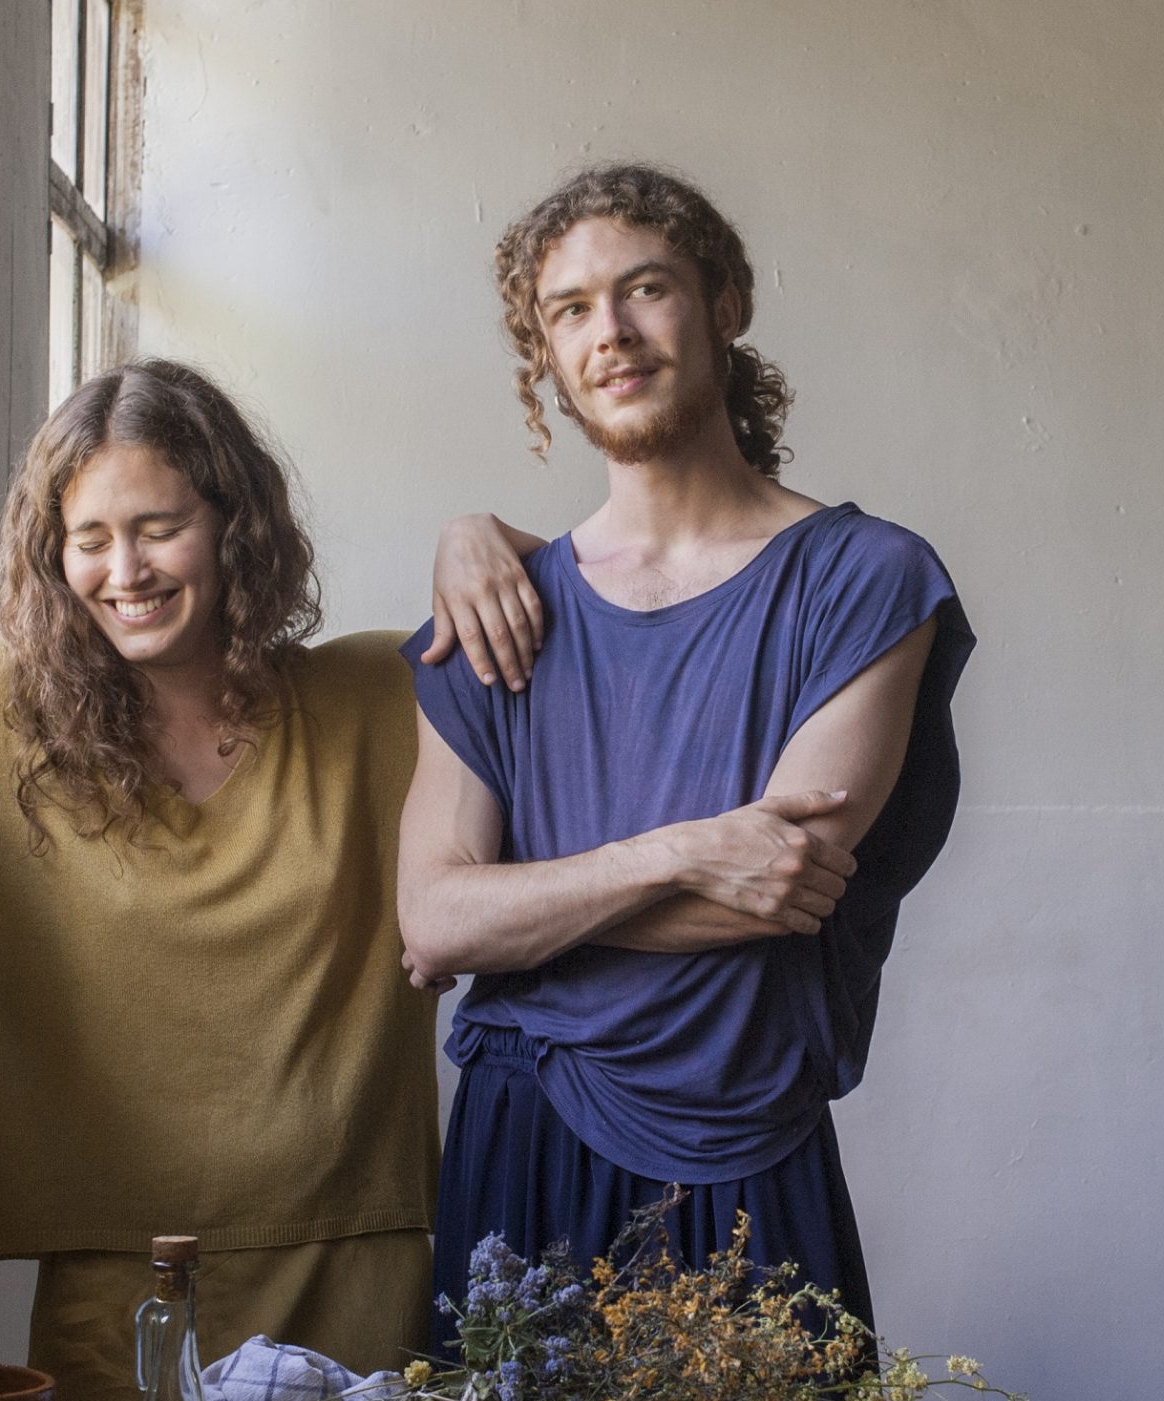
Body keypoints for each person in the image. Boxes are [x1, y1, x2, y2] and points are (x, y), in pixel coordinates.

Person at [0, 360, 536, 1401]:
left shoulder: (374, 694)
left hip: (358, 1258)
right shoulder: (5, 713)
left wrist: (476, 533)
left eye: (157, 527)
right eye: (88, 537)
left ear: (236, 529)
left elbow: (574, 621)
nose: (123, 569)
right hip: (126, 1291)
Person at [398, 164, 976, 1337]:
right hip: (518, 1147)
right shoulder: (492, 619)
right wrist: (679, 852)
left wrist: (526, 914)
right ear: (546, 356)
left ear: (724, 304)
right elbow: (435, 925)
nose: (608, 333)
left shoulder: (866, 581)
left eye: (644, 288)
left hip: (741, 1136)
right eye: (568, 310)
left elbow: (775, 885)